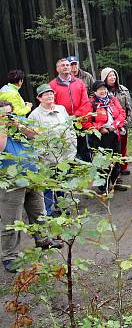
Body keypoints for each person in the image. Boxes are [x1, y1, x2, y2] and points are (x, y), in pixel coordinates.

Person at [0, 104, 63, 273]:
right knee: (11, 220)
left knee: (39, 212)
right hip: (11, 181)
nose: (8, 116)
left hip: (32, 175)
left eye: (10, 113)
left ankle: (43, 240)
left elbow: (37, 134)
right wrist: (3, 126)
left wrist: (18, 125)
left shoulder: (19, 122)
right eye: (4, 114)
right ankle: (9, 256)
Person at [28, 84, 77, 215]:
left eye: (51, 93)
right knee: (48, 186)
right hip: (47, 159)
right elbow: (33, 139)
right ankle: (47, 213)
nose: (50, 96)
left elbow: (70, 128)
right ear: (39, 98)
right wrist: (43, 155)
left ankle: (63, 208)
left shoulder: (61, 109)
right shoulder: (34, 116)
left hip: (65, 155)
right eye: (46, 94)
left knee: (63, 183)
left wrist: (73, 144)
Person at [86, 80, 127, 193]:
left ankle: (114, 183)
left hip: (114, 133)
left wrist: (114, 126)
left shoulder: (112, 100)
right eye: (100, 89)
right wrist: (99, 128)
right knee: (103, 162)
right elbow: (86, 122)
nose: (103, 91)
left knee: (116, 159)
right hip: (100, 138)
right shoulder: (91, 103)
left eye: (104, 88)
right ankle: (103, 186)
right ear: (95, 91)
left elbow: (122, 114)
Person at [50, 58, 92, 162]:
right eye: (62, 65)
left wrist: (76, 116)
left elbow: (86, 102)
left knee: (84, 148)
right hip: (63, 123)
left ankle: (89, 174)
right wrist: (64, 118)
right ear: (57, 69)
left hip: (80, 121)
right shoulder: (52, 85)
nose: (66, 67)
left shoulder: (79, 83)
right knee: (67, 149)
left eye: (67, 65)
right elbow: (51, 105)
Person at [101, 67, 132, 176]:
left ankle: (123, 167)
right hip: (108, 126)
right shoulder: (102, 91)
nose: (113, 77)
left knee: (123, 147)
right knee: (112, 149)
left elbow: (129, 107)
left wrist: (127, 122)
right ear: (104, 78)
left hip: (122, 122)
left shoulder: (123, 89)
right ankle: (113, 170)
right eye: (110, 75)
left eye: (114, 75)